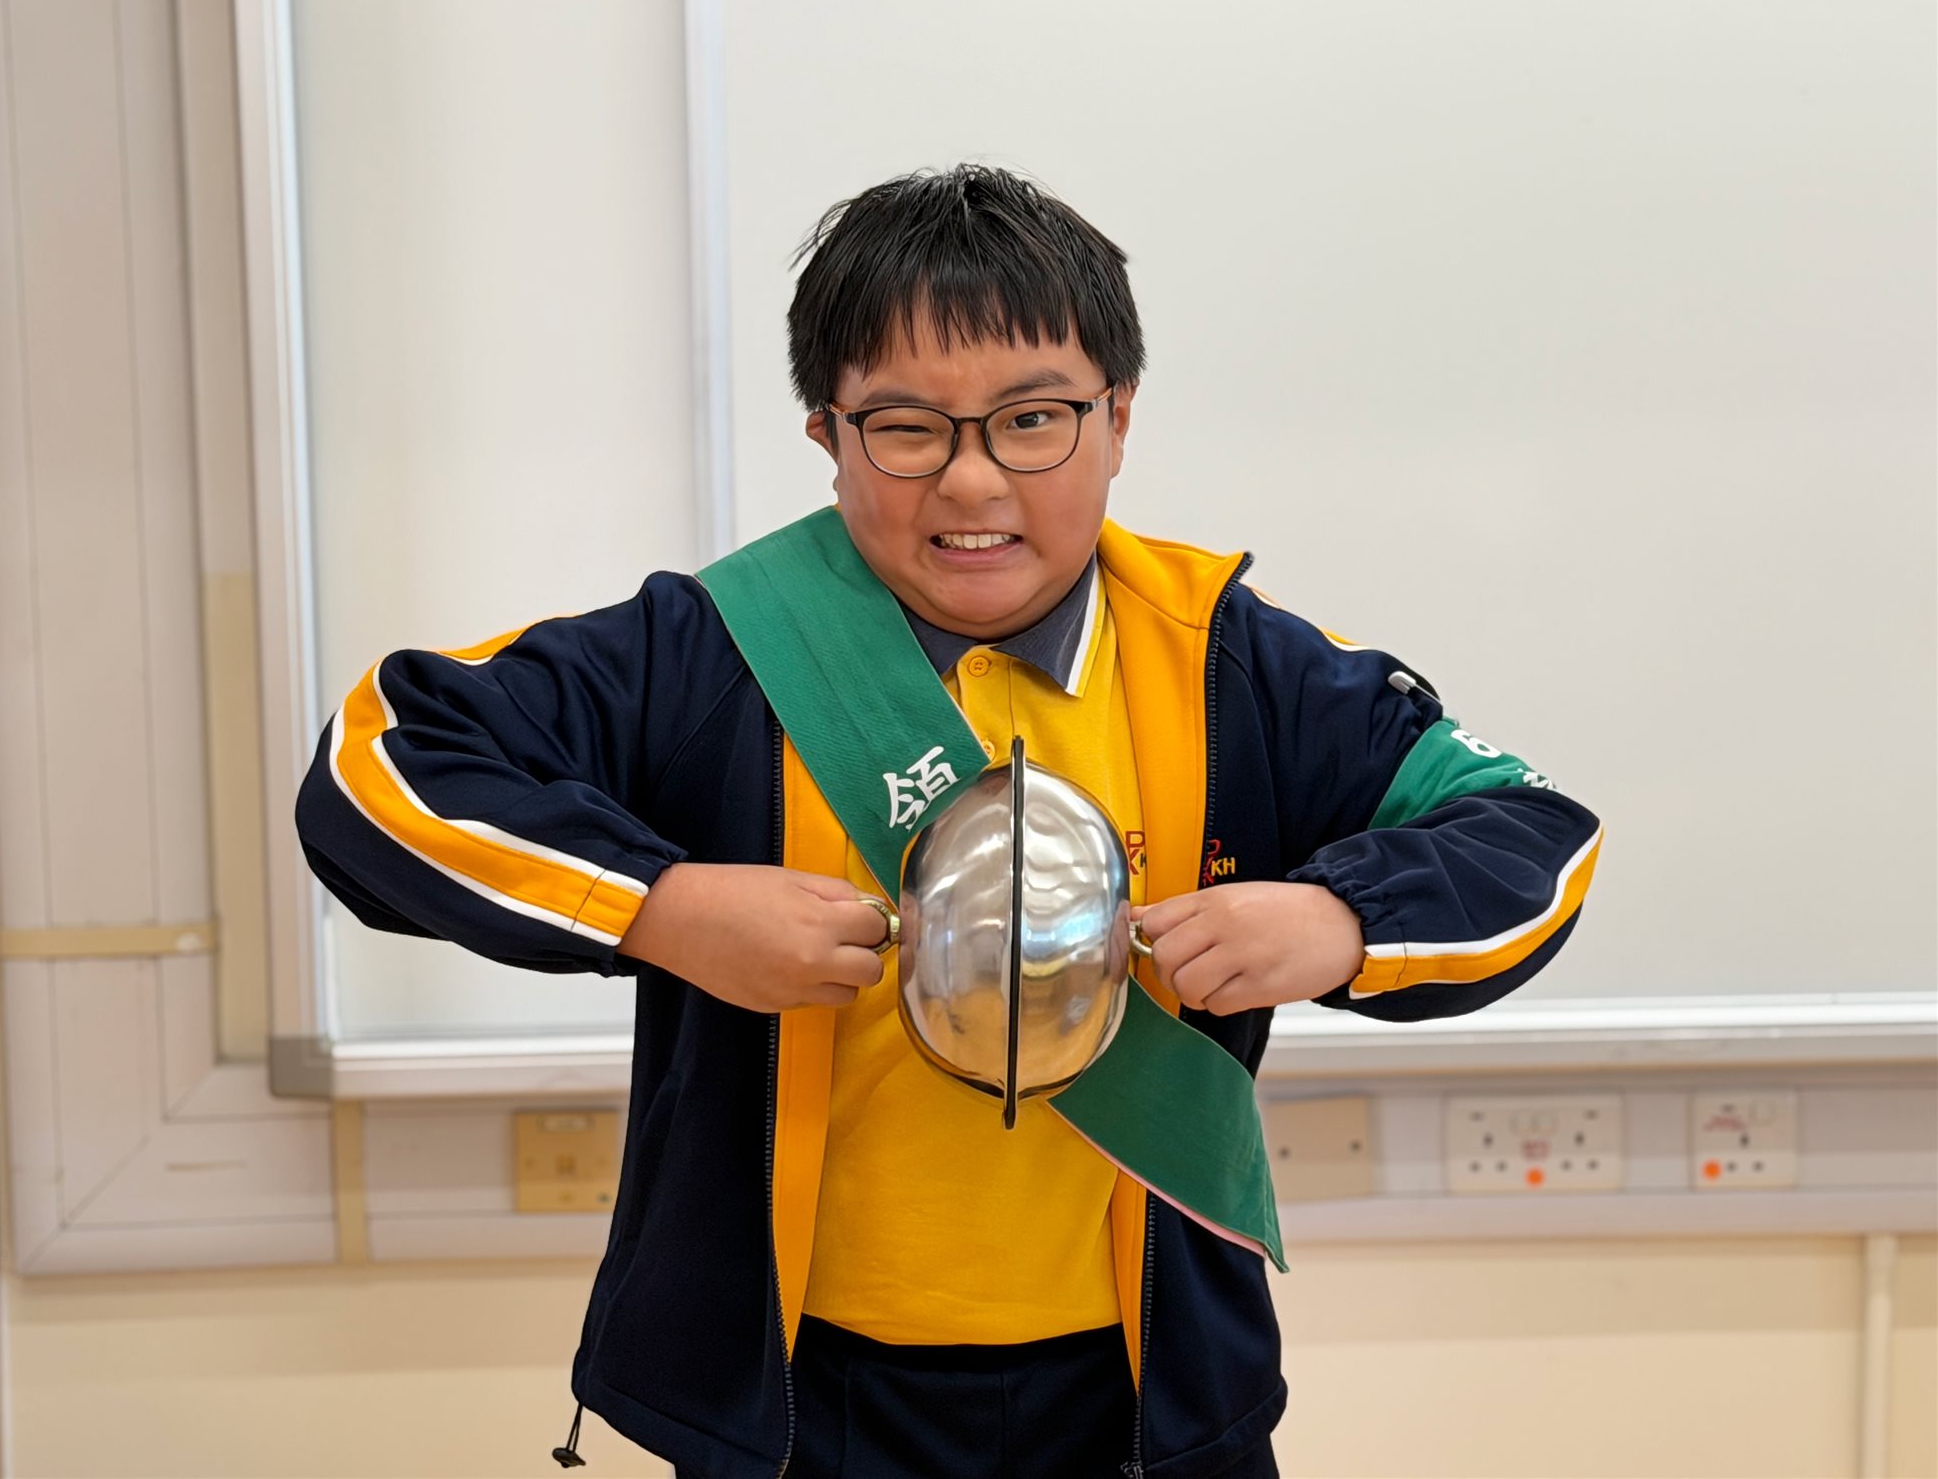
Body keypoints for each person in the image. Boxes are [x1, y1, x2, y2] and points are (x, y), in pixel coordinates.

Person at [294, 164, 1602, 1479]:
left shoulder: (1229, 664)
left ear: (1119, 418)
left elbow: (1530, 832)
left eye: (1033, 420)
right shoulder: (713, 654)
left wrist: (1341, 920)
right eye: (906, 429)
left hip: (1148, 1404)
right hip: (808, 1407)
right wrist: (661, 909)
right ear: (828, 433)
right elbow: (378, 764)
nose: (972, 483)